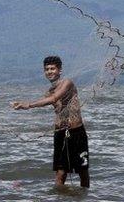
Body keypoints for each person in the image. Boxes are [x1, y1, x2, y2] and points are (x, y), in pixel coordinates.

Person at [12, 55, 90, 188]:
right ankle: (59, 198)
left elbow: (54, 99)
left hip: (76, 132)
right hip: (60, 133)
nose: (49, 72)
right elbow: (47, 100)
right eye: (47, 69)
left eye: (52, 69)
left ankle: (85, 196)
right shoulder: (49, 91)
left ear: (59, 70)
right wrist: (21, 105)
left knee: (83, 171)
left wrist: (28, 105)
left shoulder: (67, 83)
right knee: (61, 173)